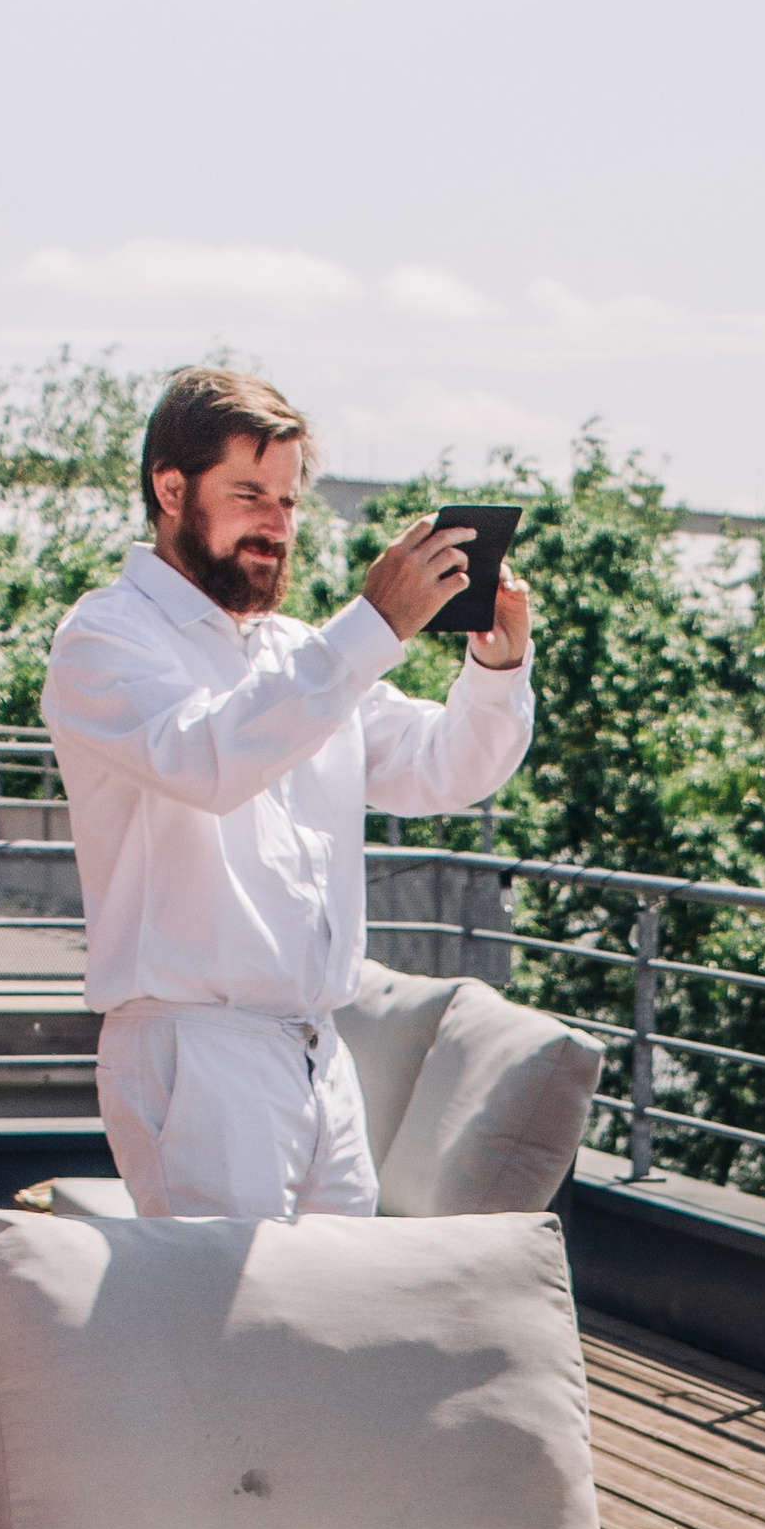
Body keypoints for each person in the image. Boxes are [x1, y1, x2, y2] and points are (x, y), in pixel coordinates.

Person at [42, 366, 533, 1220]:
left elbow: (441, 766)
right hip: (195, 1052)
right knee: (229, 1340)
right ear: (170, 488)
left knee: (333, 1329)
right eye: (248, 495)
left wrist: (496, 666)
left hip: (317, 1052)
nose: (276, 524)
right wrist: (371, 625)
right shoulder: (104, 639)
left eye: (289, 501)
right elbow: (211, 762)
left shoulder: (295, 656)